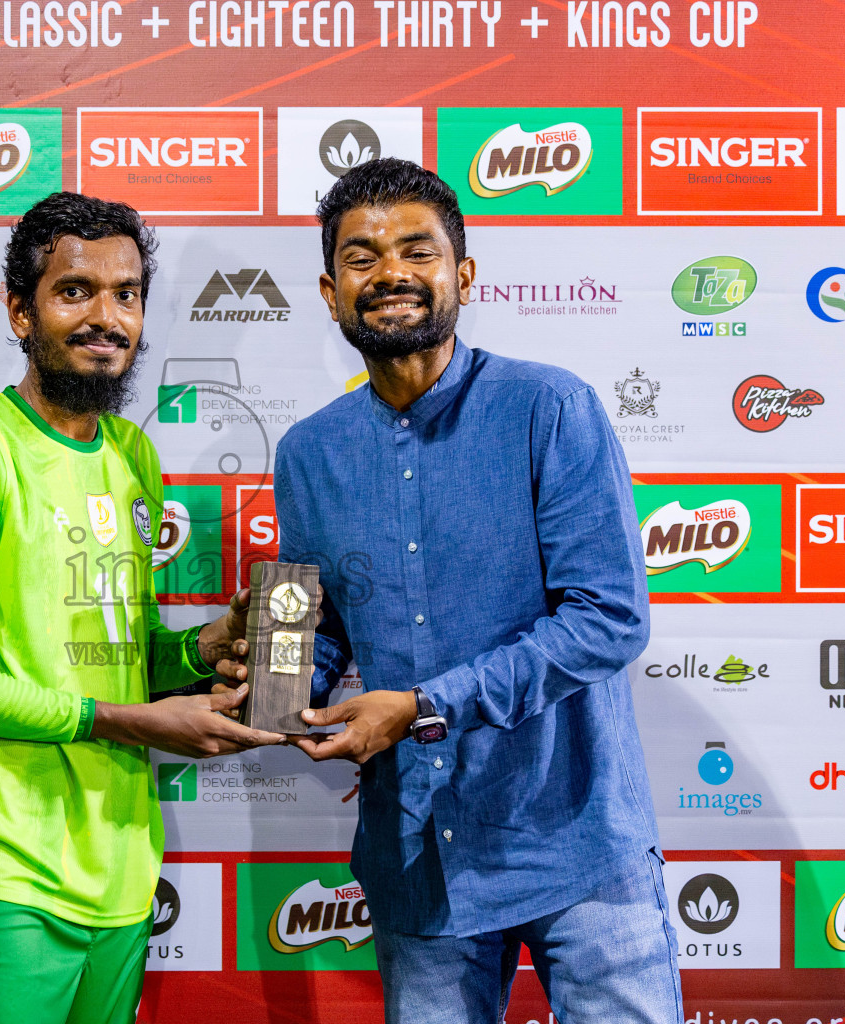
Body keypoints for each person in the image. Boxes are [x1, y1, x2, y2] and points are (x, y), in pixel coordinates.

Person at [273, 158, 681, 1022]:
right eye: (361, 257)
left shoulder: (549, 408)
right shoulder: (307, 453)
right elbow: (319, 630)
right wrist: (272, 692)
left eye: (416, 250)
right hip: (421, 855)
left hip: (575, 838)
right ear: (328, 289)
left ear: (461, 274)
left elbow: (608, 619)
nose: (390, 273)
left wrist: (424, 706)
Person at [0, 192, 284, 1024]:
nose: (106, 317)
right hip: (4, 875)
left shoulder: (133, 451)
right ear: (18, 310)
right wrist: (127, 723)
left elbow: (126, 656)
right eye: (75, 291)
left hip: (122, 875)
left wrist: (206, 647)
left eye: (128, 293)